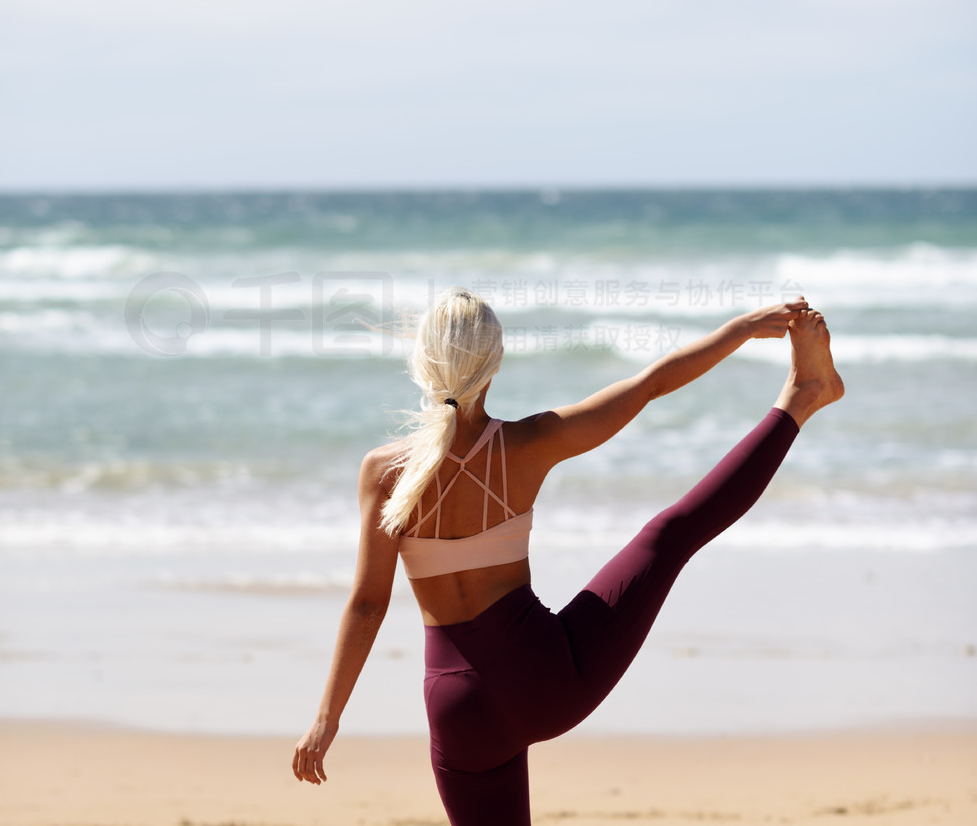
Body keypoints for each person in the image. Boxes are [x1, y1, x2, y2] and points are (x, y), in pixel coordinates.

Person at [293, 287, 844, 824]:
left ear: (422, 363)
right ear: (496, 362)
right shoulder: (529, 444)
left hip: (460, 714)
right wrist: (741, 330)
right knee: (669, 536)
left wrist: (326, 719)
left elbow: (368, 603)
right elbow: (649, 384)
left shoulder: (383, 471)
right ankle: (803, 396)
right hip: (548, 679)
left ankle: (806, 392)